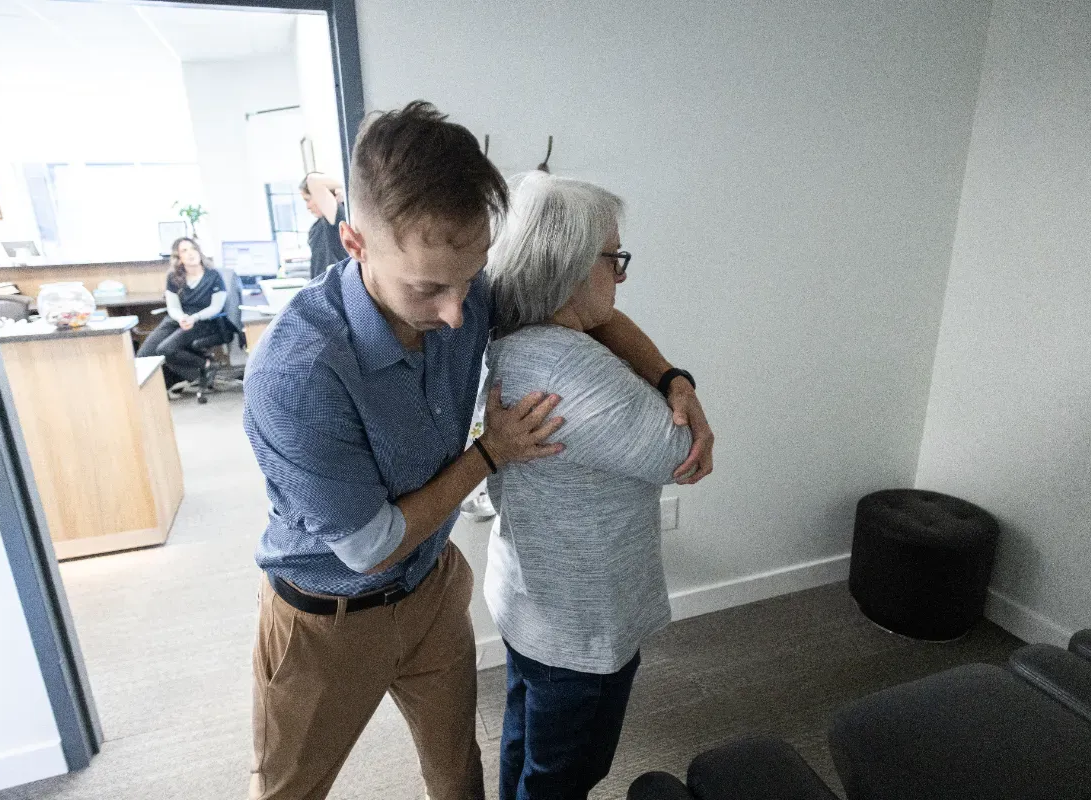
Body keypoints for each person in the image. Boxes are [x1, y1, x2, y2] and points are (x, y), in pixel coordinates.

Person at [242, 101, 714, 800]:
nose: (458, 313)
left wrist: (673, 378)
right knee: (289, 789)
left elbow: (587, 309)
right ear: (354, 242)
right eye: (429, 288)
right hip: (326, 616)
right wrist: (488, 454)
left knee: (458, 775)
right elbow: (370, 546)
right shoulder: (296, 374)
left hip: (432, 589)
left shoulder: (466, 293)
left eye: (471, 279)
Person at [484, 171, 697, 799]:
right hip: (579, 624)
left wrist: (672, 377)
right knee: (566, 773)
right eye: (614, 258)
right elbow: (681, 452)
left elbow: (605, 322)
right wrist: (678, 388)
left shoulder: (507, 340)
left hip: (528, 598)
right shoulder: (572, 370)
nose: (621, 276)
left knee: (524, 741)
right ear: (572, 266)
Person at [138, 237, 229, 394]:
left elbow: (216, 307)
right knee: (144, 356)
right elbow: (173, 307)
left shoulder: (213, 276)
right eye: (184, 251)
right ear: (178, 257)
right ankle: (162, 389)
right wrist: (181, 317)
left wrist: (194, 317)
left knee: (165, 349)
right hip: (179, 319)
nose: (190, 253)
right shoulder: (174, 277)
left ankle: (207, 366)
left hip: (203, 321)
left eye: (193, 249)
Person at [301, 171, 348, 279]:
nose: (308, 206)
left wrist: (345, 188)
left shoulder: (336, 216)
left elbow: (313, 180)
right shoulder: (315, 227)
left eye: (308, 199)